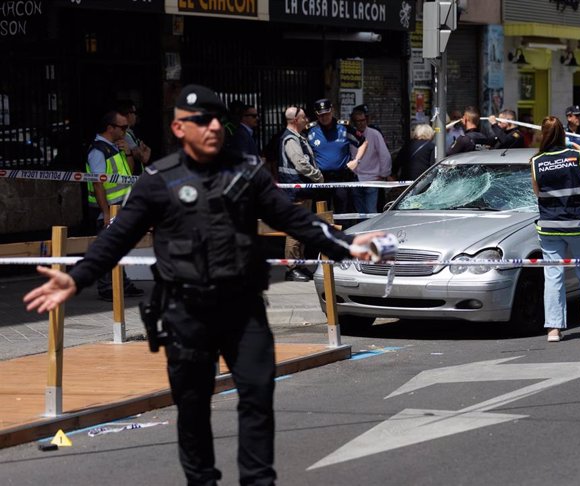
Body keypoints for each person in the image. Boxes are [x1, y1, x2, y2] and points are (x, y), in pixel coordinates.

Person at [24, 84, 384, 486]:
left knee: (257, 399)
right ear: (179, 128)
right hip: (185, 314)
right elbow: (117, 237)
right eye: (199, 121)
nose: (211, 127)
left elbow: (295, 220)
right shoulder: (160, 179)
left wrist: (347, 244)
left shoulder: (246, 173)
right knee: (193, 409)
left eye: (216, 119)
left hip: (243, 310)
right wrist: (75, 277)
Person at [530, 115, 580, 342]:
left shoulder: (536, 162)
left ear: (543, 135)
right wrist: (575, 144)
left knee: (553, 277)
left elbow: (538, 193)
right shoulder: (575, 156)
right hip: (578, 225)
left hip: (549, 227)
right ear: (563, 135)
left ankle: (554, 329)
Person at [85, 110, 143, 301]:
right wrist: (106, 212)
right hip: (109, 209)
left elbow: (128, 173)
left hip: (121, 206)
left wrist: (127, 152)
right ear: (110, 128)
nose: (126, 131)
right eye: (123, 127)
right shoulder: (98, 151)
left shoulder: (114, 147)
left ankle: (122, 284)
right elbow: (97, 182)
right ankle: (106, 287)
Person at [277, 106, 324, 282]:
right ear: (295, 120)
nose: (307, 120)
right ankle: (292, 268)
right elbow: (301, 164)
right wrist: (318, 176)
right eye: (304, 117)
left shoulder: (298, 137)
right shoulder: (290, 139)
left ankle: (300, 264)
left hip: (301, 192)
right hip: (294, 192)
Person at [307, 98, 367, 225]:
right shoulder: (309, 130)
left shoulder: (343, 127)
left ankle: (344, 240)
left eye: (327, 113)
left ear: (332, 111)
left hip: (342, 178)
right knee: (321, 215)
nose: (324, 117)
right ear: (316, 114)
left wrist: (356, 161)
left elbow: (363, 142)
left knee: (344, 214)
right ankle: (323, 242)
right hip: (321, 179)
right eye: (321, 115)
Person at [349, 107, 391, 214]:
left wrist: (384, 174)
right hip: (355, 178)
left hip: (371, 179)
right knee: (360, 213)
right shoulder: (350, 135)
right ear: (353, 122)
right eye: (358, 121)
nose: (361, 123)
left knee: (371, 211)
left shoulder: (374, 134)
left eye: (363, 120)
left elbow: (384, 155)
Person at [116, 99, 152, 175]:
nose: (136, 116)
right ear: (128, 114)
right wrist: (148, 150)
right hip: (129, 178)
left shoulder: (130, 133)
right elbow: (143, 158)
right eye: (135, 113)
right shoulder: (124, 134)